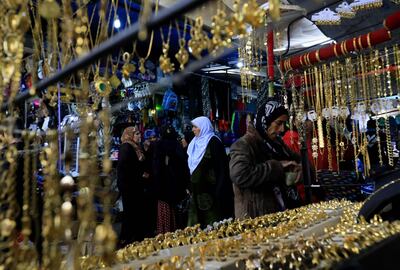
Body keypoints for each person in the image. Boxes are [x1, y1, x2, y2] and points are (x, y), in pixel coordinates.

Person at [229, 100, 302, 219]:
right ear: (265, 121)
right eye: (278, 123)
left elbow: (298, 160)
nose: (282, 129)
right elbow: (240, 175)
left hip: (281, 212)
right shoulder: (244, 145)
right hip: (256, 217)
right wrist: (277, 167)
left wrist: (299, 169)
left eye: (284, 124)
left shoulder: (277, 144)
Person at [187, 116, 234, 227]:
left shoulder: (214, 142)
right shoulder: (194, 144)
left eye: (195, 127)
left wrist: (220, 190)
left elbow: (222, 168)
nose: (193, 129)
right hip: (197, 192)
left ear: (203, 127)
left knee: (213, 224)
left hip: (212, 193)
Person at [116, 126, 152, 247]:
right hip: (129, 186)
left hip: (135, 185)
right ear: (130, 135)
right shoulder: (126, 147)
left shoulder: (135, 147)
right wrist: (140, 174)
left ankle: (135, 236)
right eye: (136, 134)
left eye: (139, 134)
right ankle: (126, 238)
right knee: (130, 212)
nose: (139, 136)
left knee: (135, 211)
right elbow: (127, 167)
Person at [153, 125, 189, 233]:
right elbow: (183, 166)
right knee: (178, 213)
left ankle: (166, 232)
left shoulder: (158, 145)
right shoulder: (177, 145)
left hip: (162, 186)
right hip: (176, 186)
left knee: (165, 211)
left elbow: (156, 168)